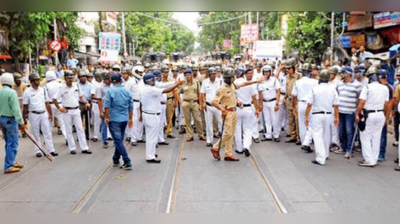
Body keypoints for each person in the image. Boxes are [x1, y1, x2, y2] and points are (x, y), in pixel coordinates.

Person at [210, 68, 262, 162]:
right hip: (228, 113)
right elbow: (214, 101)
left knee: (231, 134)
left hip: (234, 111)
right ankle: (215, 147)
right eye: (232, 77)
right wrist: (222, 109)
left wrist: (255, 81)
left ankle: (228, 153)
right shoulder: (221, 89)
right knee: (228, 133)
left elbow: (243, 84)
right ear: (227, 78)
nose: (233, 79)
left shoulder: (232, 85)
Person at [140, 73, 182, 163]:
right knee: (152, 137)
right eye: (153, 80)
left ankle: (151, 153)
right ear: (149, 81)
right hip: (152, 115)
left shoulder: (147, 87)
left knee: (151, 136)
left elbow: (162, 85)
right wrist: (177, 85)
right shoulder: (150, 90)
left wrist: (175, 82)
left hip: (150, 114)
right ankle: (150, 156)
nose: (155, 81)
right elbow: (167, 90)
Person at [356, 66, 389, 167]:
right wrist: (385, 116)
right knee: (376, 137)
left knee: (365, 137)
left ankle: (369, 159)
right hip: (380, 114)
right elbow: (387, 104)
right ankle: (374, 158)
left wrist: (357, 113)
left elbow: (362, 102)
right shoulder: (385, 88)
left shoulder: (367, 87)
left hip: (368, 114)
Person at [53, 70, 92, 155]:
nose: (70, 80)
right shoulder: (62, 88)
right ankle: (72, 148)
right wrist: (60, 109)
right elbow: (54, 99)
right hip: (67, 111)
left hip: (76, 110)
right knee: (69, 130)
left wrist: (86, 102)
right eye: (68, 78)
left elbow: (81, 96)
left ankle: (84, 148)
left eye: (72, 78)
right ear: (65, 79)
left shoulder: (76, 86)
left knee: (80, 129)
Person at [305, 69, 339, 166]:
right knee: (327, 134)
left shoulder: (315, 89)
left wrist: (306, 117)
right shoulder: (332, 89)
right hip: (329, 114)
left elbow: (309, 104)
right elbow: (336, 105)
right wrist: (336, 117)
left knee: (317, 135)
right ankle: (325, 154)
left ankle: (320, 158)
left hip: (317, 114)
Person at [22, 73, 58, 158]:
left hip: (43, 113)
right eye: (36, 80)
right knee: (35, 133)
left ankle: (51, 150)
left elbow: (47, 103)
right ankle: (38, 150)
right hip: (33, 114)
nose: (38, 81)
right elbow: (25, 106)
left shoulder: (43, 90)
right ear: (32, 82)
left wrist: (50, 113)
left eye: (38, 80)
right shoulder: (27, 92)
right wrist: (24, 118)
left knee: (47, 132)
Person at [104, 72, 133, 170]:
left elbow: (107, 106)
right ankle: (115, 158)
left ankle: (127, 160)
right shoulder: (127, 91)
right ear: (121, 80)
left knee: (118, 140)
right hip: (124, 118)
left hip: (114, 119)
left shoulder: (110, 91)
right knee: (119, 139)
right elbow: (131, 106)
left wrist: (107, 117)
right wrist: (130, 118)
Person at [0, 73, 26, 174]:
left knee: (8, 142)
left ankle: (11, 161)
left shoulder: (0, 92)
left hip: (2, 119)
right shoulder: (12, 92)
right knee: (13, 143)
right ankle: (8, 166)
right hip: (11, 120)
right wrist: (21, 122)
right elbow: (16, 109)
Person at [335, 66, 362, 159]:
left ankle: (349, 149)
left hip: (350, 112)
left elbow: (360, 99)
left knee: (349, 130)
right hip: (340, 111)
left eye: (343, 72)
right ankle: (343, 147)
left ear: (348, 73)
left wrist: (358, 111)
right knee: (341, 131)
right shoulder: (339, 84)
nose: (341, 74)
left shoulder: (357, 85)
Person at [292, 63, 319, 151]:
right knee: (312, 124)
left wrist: (294, 107)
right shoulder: (315, 82)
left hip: (301, 103)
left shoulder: (297, 82)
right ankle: (307, 142)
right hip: (311, 104)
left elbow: (294, 96)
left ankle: (304, 142)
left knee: (302, 125)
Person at [234, 69, 260, 157]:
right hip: (248, 107)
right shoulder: (249, 84)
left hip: (237, 108)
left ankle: (239, 148)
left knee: (237, 128)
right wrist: (257, 109)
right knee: (248, 129)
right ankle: (246, 146)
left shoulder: (234, 83)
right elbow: (254, 98)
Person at [180, 69, 206, 142]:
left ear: (191, 75)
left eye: (189, 74)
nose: (188, 76)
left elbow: (199, 93)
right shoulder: (183, 83)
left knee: (197, 119)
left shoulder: (196, 82)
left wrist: (200, 104)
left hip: (194, 102)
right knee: (187, 120)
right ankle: (190, 135)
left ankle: (201, 134)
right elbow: (178, 91)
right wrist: (181, 102)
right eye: (186, 75)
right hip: (186, 102)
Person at [200, 67, 223, 147]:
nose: (214, 75)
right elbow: (202, 93)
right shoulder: (205, 82)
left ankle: (222, 139)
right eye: (212, 74)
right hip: (208, 106)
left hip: (218, 105)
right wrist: (203, 103)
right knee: (209, 123)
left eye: (215, 74)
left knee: (221, 122)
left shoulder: (220, 81)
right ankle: (209, 140)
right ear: (209, 75)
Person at [258, 65, 281, 142]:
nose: (266, 73)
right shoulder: (261, 81)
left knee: (275, 119)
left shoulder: (274, 80)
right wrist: (260, 104)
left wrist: (277, 103)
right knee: (267, 120)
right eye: (265, 72)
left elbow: (278, 92)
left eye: (268, 72)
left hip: (273, 101)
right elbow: (260, 93)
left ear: (270, 72)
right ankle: (268, 135)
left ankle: (276, 135)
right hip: (265, 102)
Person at [284, 58, 302, 145]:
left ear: (294, 68)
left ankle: (299, 137)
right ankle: (293, 135)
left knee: (297, 119)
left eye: (289, 68)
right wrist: (285, 97)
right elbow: (287, 88)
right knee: (290, 119)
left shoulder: (299, 76)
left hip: (297, 100)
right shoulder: (287, 77)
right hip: (289, 100)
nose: (287, 70)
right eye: (286, 69)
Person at [378, 69, 393, 162]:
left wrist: (386, 118)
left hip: (383, 114)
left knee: (382, 135)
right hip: (375, 113)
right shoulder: (377, 86)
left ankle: (381, 153)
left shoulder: (389, 87)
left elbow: (390, 104)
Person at [161, 66, 179, 139]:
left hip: (169, 100)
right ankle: (161, 132)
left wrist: (176, 101)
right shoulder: (159, 81)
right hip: (161, 101)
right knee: (161, 118)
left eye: (167, 72)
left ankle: (169, 132)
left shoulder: (171, 80)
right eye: (165, 72)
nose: (166, 74)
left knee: (169, 117)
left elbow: (175, 91)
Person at [77, 70, 92, 140]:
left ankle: (87, 134)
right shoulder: (76, 85)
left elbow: (91, 94)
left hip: (88, 103)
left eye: (84, 76)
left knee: (87, 119)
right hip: (79, 103)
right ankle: (80, 135)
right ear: (79, 77)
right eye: (81, 76)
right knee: (79, 120)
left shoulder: (90, 84)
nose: (83, 78)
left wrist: (88, 103)